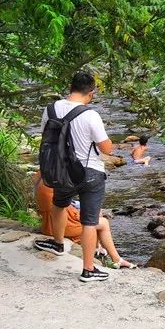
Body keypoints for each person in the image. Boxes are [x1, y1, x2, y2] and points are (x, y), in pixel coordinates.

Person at [33, 70, 114, 282]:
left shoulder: (50, 109)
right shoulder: (90, 115)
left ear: (70, 87)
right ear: (91, 93)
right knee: (89, 221)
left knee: (59, 204)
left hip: (61, 170)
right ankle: (88, 269)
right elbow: (106, 149)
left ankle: (58, 243)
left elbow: (46, 136)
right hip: (89, 173)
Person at [33, 173, 136, 269]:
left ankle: (99, 249)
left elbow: (62, 201)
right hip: (59, 226)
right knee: (102, 222)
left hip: (48, 223)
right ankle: (115, 259)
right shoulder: (60, 175)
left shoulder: (44, 174)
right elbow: (67, 209)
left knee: (93, 215)